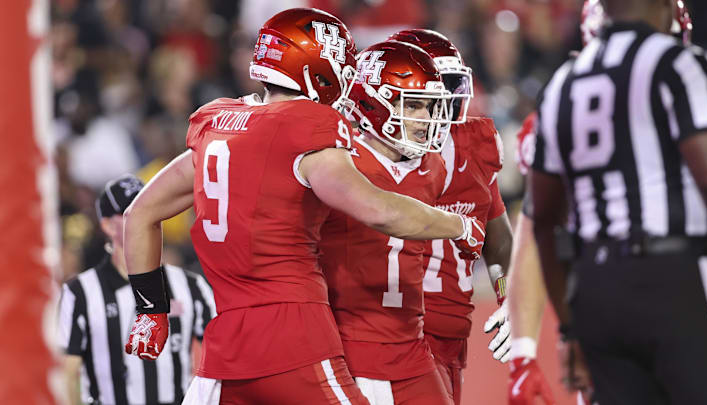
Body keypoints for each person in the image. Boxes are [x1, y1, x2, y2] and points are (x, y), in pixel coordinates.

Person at [121, 8, 485, 405]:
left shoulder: (217, 123)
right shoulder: (306, 126)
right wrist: (458, 226)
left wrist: (150, 309)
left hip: (225, 350)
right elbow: (378, 210)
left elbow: (139, 213)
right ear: (314, 66)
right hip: (295, 338)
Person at [531, 0, 707, 403]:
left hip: (596, 290)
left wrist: (569, 328)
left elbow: (544, 220)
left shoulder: (563, 82)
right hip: (677, 278)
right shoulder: (679, 62)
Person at [319, 40, 456, 405]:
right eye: (412, 105)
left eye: (428, 107)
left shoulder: (434, 167)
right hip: (349, 345)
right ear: (370, 102)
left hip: (412, 345)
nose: (424, 119)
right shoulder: (338, 161)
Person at [387, 29, 513, 405]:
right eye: (425, 97)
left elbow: (499, 242)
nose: (437, 109)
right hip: (388, 333)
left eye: (447, 92)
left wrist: (508, 298)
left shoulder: (475, 147)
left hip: (451, 335)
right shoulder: (362, 149)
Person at [57, 174, 215, 405]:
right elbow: (68, 373)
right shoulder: (80, 292)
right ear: (107, 225)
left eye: (150, 206)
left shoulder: (191, 286)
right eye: (130, 210)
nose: (145, 215)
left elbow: (222, 354)